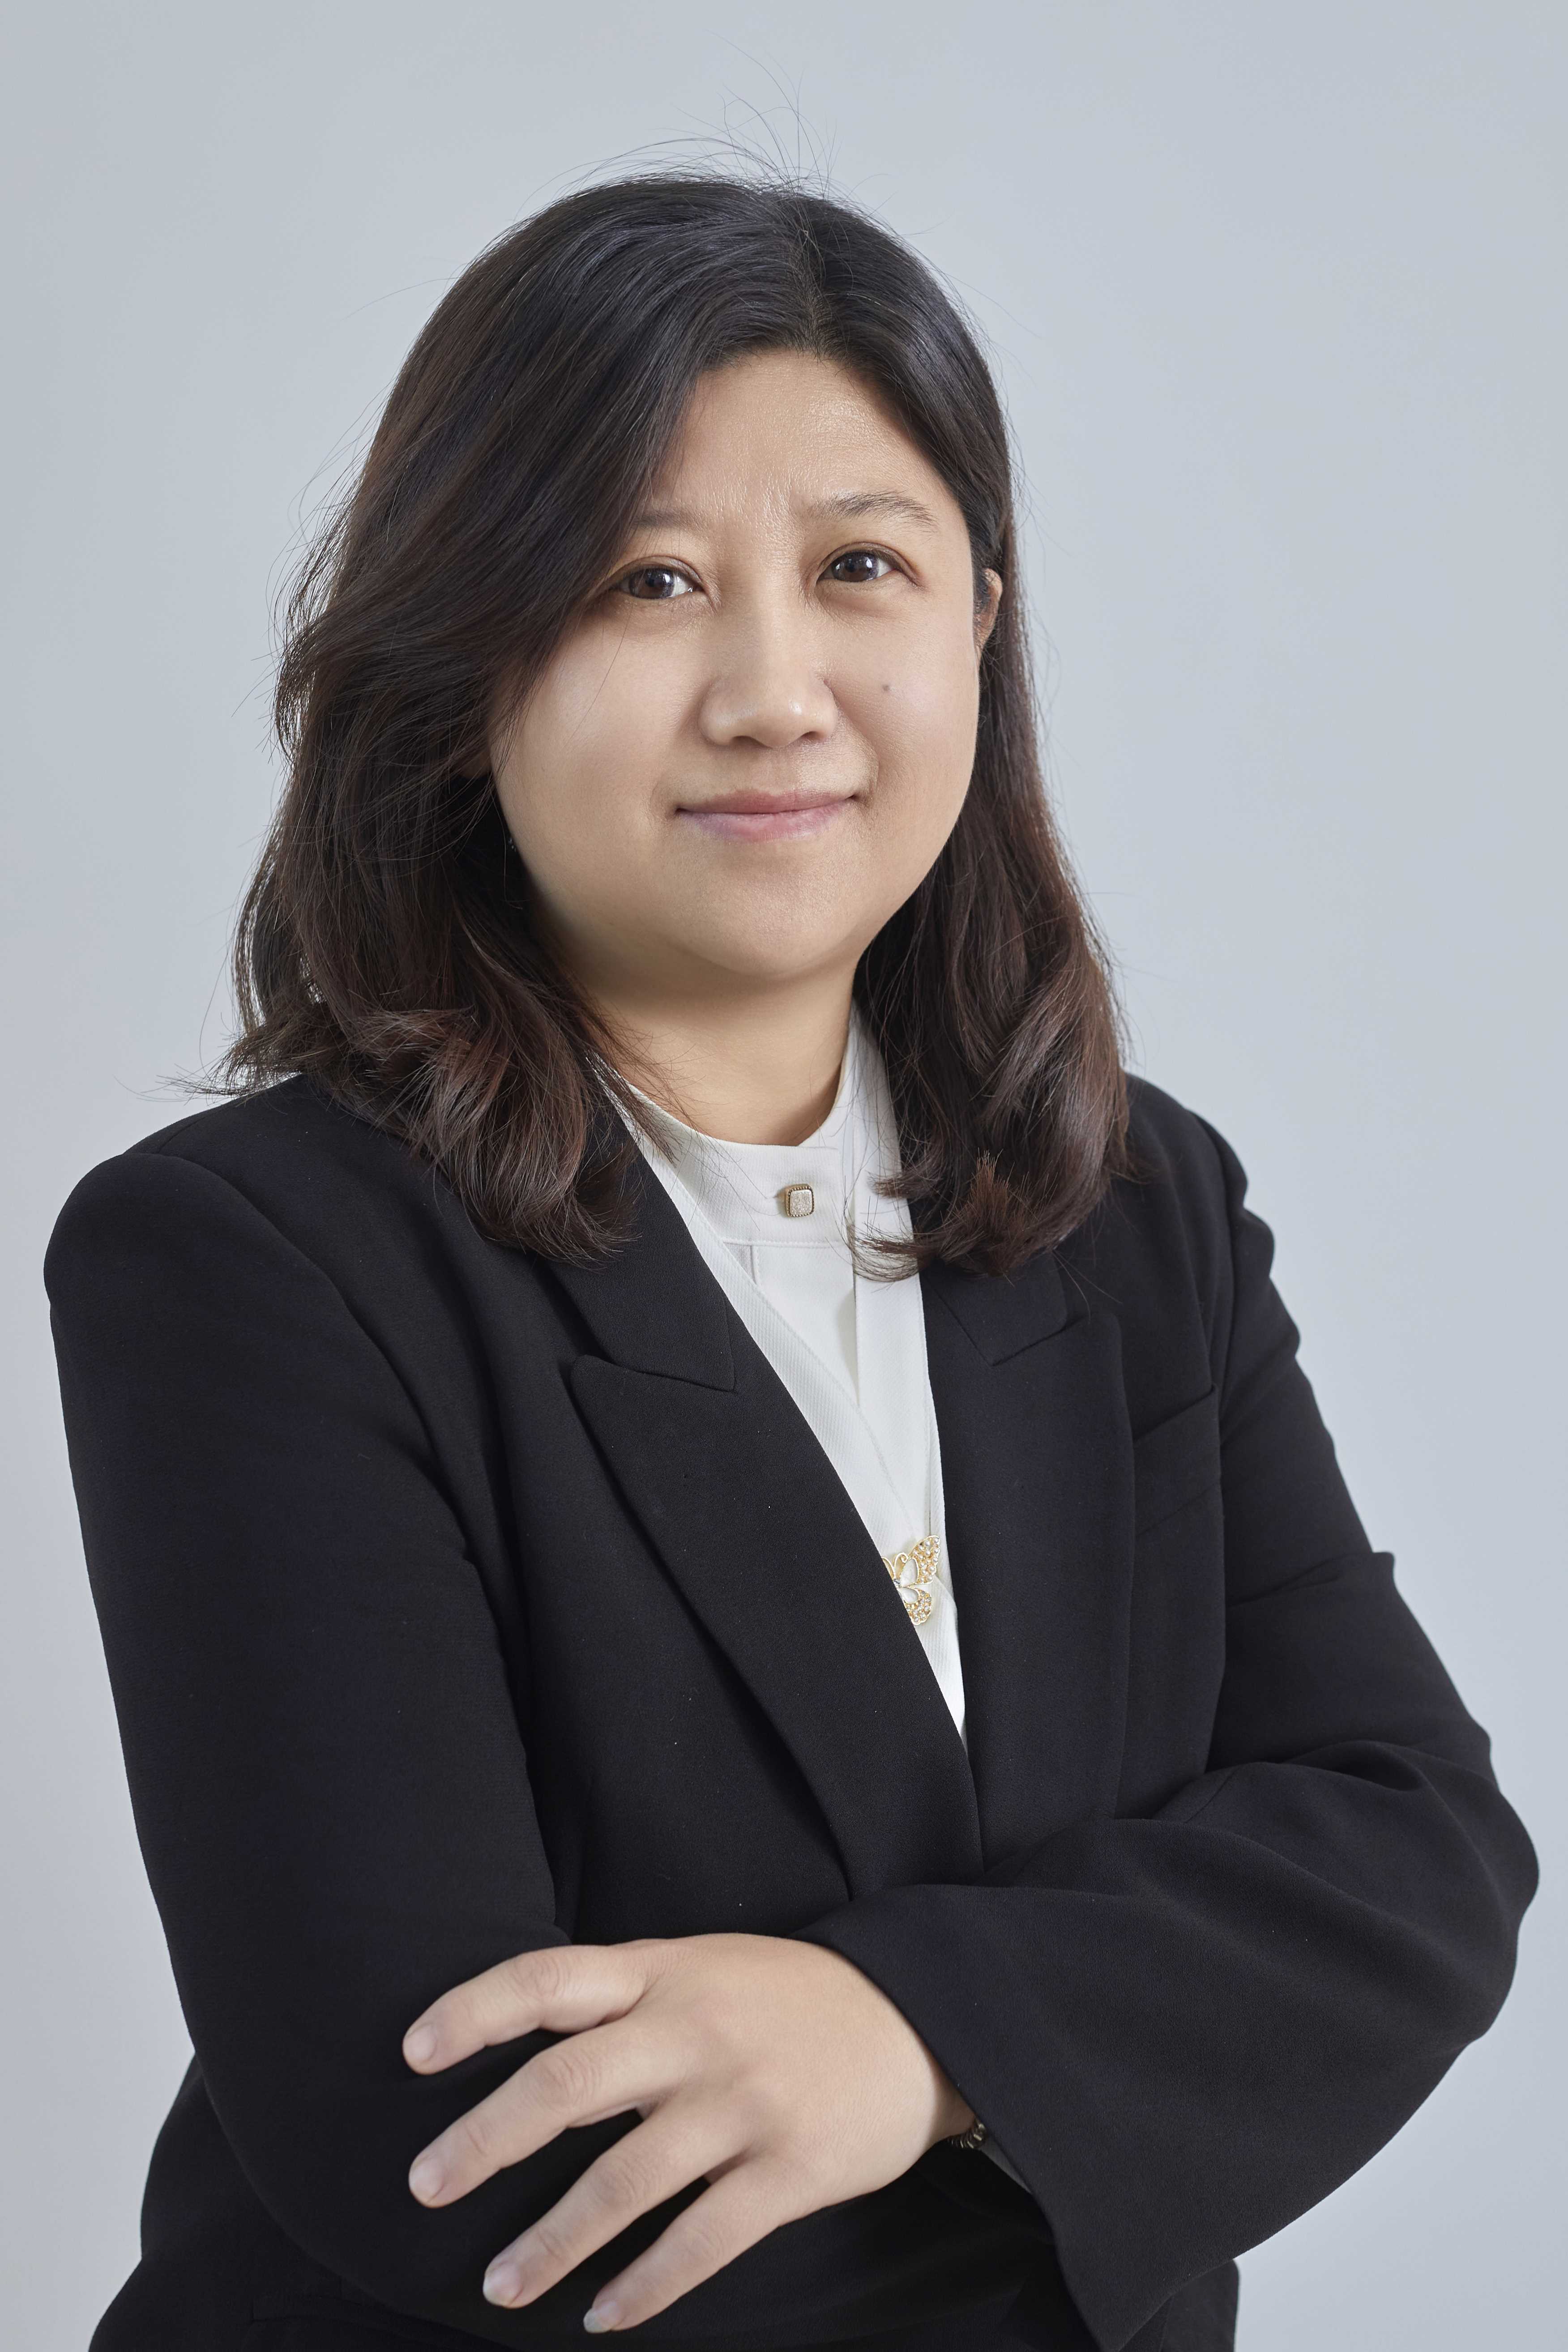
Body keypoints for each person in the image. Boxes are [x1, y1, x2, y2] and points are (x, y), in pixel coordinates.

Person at [44, 171, 1536, 2352]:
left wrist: (903, 2041)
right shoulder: (252, 1260)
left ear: (980, 624)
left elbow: (1415, 1856)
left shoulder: (1141, 1209)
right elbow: (456, 2152)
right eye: (646, 581)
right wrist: (1120, 2078)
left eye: (859, 568)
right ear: (467, 664)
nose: (772, 691)